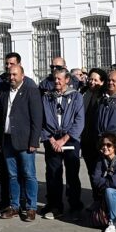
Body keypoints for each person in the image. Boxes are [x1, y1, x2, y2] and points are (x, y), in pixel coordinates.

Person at [0, 65, 43, 222]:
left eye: (15, 74)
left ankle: (31, 207)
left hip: (25, 141)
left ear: (22, 75)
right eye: (10, 75)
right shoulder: (3, 91)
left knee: (29, 174)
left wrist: (34, 141)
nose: (12, 77)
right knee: (12, 175)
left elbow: (37, 118)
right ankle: (14, 206)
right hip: (7, 140)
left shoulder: (31, 91)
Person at [39, 68, 85, 220]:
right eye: (55, 79)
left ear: (67, 80)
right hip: (52, 140)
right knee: (53, 173)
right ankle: (55, 206)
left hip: (70, 139)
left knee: (72, 174)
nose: (56, 81)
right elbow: (42, 120)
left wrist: (64, 139)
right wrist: (51, 139)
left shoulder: (76, 96)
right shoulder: (47, 97)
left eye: (59, 79)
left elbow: (79, 121)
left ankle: (75, 206)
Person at [0, 51, 21, 212]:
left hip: (19, 134)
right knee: (3, 168)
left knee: (21, 169)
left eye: (12, 64)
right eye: (6, 64)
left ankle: (20, 201)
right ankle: (4, 200)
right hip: (2, 132)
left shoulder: (26, 82)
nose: (8, 66)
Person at [80, 68, 107, 182]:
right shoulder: (83, 92)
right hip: (85, 137)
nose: (92, 82)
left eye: (96, 80)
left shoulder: (105, 96)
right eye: (91, 79)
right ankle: (96, 192)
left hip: (99, 138)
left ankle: (103, 191)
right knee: (91, 170)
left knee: (100, 170)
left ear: (102, 82)